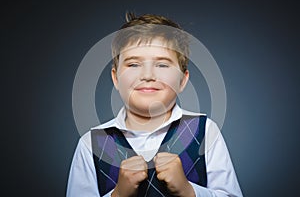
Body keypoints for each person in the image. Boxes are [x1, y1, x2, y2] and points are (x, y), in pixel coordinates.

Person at [67, 12, 243, 197]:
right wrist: (117, 195)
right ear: (115, 78)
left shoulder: (205, 131)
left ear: (182, 81)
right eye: (134, 64)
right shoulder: (90, 144)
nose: (148, 75)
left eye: (162, 65)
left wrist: (188, 191)